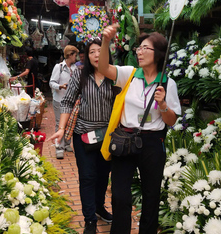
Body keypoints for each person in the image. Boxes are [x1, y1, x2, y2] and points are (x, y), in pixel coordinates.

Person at [99, 24, 181, 234]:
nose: (140, 52)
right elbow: (103, 69)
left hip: (153, 143)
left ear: (159, 53)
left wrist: (163, 105)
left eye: (146, 48)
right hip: (125, 139)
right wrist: (106, 41)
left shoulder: (167, 84)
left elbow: (171, 121)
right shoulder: (130, 74)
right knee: (119, 195)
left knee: (151, 195)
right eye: (139, 48)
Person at [47, 37, 117, 234]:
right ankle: (89, 220)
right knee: (87, 177)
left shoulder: (114, 75)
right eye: (92, 51)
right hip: (83, 134)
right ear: (87, 56)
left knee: (103, 176)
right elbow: (68, 101)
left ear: (107, 54)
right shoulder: (79, 74)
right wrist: (61, 128)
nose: (97, 55)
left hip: (107, 137)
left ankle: (99, 207)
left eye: (100, 51)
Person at [49, 45, 79, 159]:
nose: (76, 57)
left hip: (71, 101)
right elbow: (51, 82)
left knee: (69, 123)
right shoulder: (59, 67)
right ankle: (59, 148)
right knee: (59, 124)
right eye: (75, 55)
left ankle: (67, 144)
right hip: (59, 100)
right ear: (70, 55)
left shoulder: (75, 68)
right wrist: (60, 86)